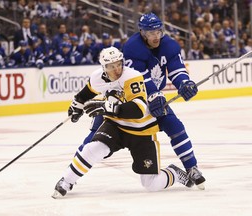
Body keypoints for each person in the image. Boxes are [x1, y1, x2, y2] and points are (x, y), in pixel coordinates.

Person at [81, 13, 206, 189]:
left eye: (158, 31)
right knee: (95, 135)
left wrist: (184, 83)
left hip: (152, 101)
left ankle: (191, 168)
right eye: (151, 32)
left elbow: (177, 69)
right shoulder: (133, 47)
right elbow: (140, 79)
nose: (156, 36)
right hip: (126, 101)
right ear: (142, 32)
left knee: (175, 126)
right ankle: (71, 174)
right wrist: (154, 95)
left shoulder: (169, 45)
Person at [52, 47, 194, 198]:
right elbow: (85, 94)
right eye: (112, 66)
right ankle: (66, 181)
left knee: (151, 184)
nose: (117, 69)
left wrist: (107, 106)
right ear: (104, 68)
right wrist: (77, 105)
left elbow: (138, 109)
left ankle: (174, 173)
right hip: (116, 125)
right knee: (94, 148)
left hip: (142, 129)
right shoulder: (97, 77)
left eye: (119, 64)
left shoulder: (132, 76)